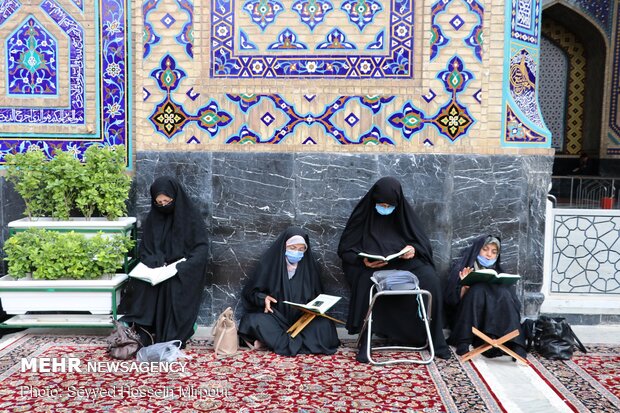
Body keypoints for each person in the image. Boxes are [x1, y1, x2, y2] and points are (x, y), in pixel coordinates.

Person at [338, 177, 451, 362]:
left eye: (389, 205)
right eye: (380, 204)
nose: (384, 208)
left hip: (403, 263)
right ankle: (366, 342)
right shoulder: (363, 216)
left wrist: (413, 250)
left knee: (430, 280)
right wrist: (363, 260)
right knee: (365, 282)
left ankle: (436, 341)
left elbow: (422, 245)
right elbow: (345, 249)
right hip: (371, 266)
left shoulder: (404, 216)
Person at [118, 176, 209, 347]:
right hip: (158, 269)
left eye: (167, 201)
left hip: (182, 269)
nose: (163, 206)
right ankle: (143, 331)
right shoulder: (154, 218)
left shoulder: (190, 218)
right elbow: (146, 250)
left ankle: (174, 331)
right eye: (159, 203)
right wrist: (156, 261)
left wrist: (183, 266)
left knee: (172, 285)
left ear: (175, 197)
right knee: (143, 285)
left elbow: (201, 249)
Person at [238, 227, 340, 356]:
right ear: (284, 247)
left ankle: (272, 342)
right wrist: (263, 299)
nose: (296, 252)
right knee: (252, 320)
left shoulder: (310, 267)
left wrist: (313, 307)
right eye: (292, 248)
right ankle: (299, 344)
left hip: (302, 321)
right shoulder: (269, 264)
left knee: (325, 325)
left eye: (301, 249)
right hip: (275, 317)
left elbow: (317, 295)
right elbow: (250, 293)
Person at [444, 235, 527, 358]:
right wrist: (465, 286)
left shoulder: (498, 271)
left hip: (494, 320)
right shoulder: (463, 268)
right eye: (485, 249)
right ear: (477, 250)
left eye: (494, 252)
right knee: (477, 289)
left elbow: (515, 305)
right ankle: (464, 341)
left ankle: (515, 342)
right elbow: (450, 301)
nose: (489, 255)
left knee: (504, 292)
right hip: (469, 322)